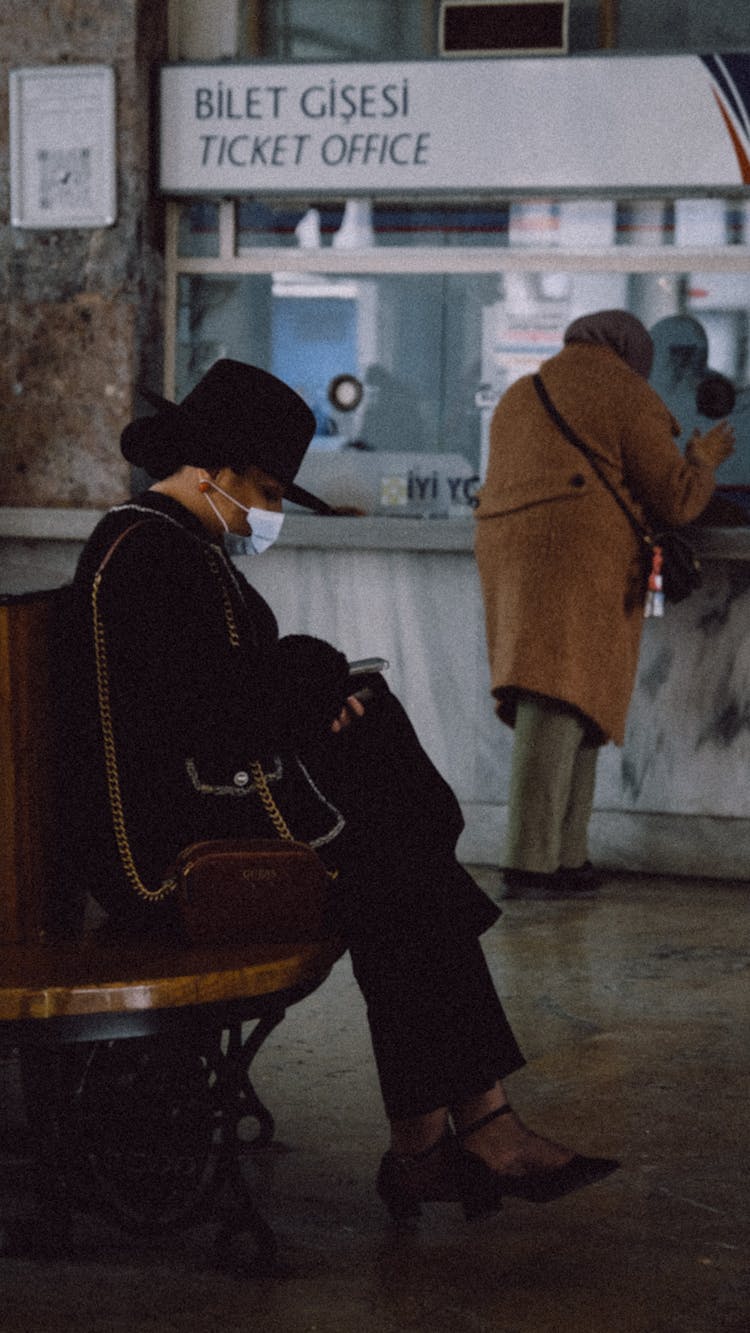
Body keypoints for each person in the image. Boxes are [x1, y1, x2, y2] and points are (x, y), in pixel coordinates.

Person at [61, 358, 619, 1223]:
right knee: (401, 871)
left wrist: (318, 690)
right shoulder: (147, 556)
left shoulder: (170, 542)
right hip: (167, 862)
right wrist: (313, 684)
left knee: (399, 869)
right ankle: (458, 1134)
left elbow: (222, 700)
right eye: (271, 490)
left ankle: (439, 1140)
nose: (274, 512)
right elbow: (209, 719)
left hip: (199, 816)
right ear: (214, 471)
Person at [474, 309, 735, 901]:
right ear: (633, 353)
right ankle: (531, 863)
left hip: (507, 552)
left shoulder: (523, 391)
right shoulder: (624, 392)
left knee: (569, 696)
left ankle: (566, 856)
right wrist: (705, 460)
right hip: (578, 557)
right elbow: (675, 500)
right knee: (562, 698)